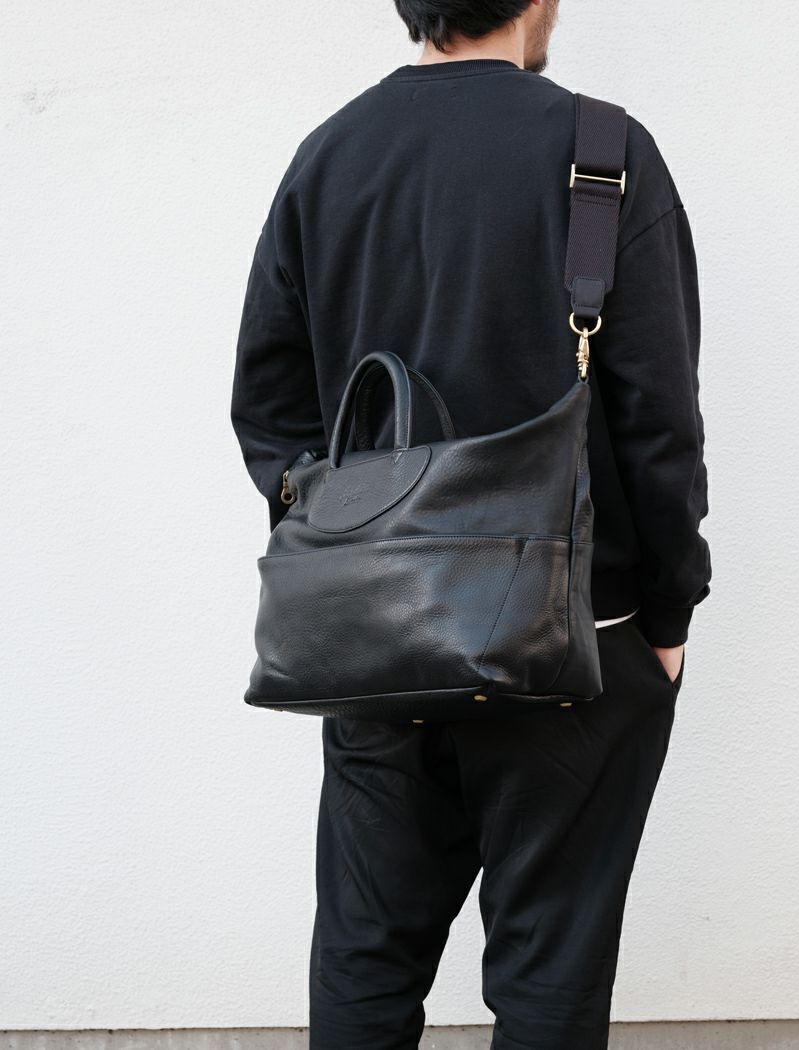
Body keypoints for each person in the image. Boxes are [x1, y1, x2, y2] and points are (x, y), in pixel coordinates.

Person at [230, 1, 711, 1046]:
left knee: (365, 960)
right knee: (548, 975)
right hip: (577, 642)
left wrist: (346, 550)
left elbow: (269, 409)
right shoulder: (603, 154)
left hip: (378, 645)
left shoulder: (330, 157)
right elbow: (659, 421)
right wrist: (670, 613)